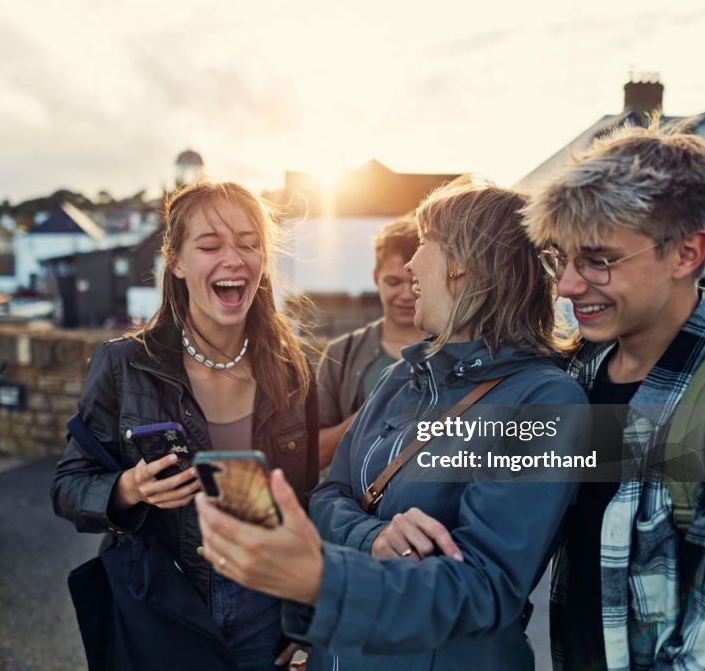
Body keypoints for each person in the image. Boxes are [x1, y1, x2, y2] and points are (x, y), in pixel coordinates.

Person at [195, 177, 591, 670]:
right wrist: (373, 539)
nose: (410, 264)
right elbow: (329, 495)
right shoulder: (404, 375)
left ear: (462, 263)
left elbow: (485, 589)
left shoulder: (546, 402)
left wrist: (322, 578)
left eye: (425, 243)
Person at [522, 119, 705, 670]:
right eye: (561, 257)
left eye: (599, 260)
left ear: (686, 254)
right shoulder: (581, 375)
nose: (567, 285)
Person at [51, 180, 319, 670]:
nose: (233, 259)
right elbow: (68, 486)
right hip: (163, 609)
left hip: (266, 609)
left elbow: (308, 502)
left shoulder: (291, 368)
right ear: (176, 262)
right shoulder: (123, 365)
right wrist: (128, 489)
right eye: (210, 245)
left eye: (249, 243)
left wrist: (306, 624)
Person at [316, 216, 426, 468]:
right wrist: (367, 416)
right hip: (357, 504)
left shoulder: (460, 350)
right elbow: (314, 454)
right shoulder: (340, 354)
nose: (406, 294)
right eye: (394, 282)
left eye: (416, 282)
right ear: (377, 279)